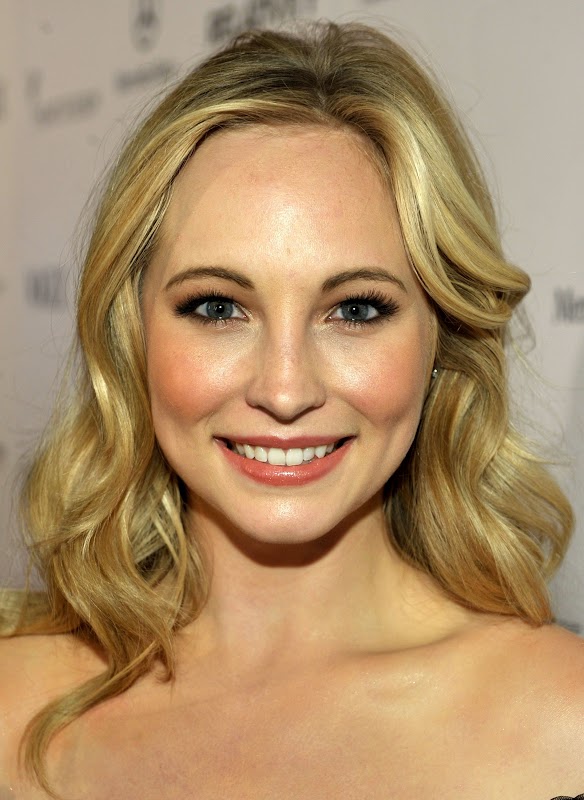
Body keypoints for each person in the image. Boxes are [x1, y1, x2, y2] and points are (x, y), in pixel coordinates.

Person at [0, 20, 582, 800]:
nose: (283, 390)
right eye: (217, 307)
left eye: (356, 310)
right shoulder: (15, 707)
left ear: (441, 336)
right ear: (130, 332)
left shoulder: (563, 727)